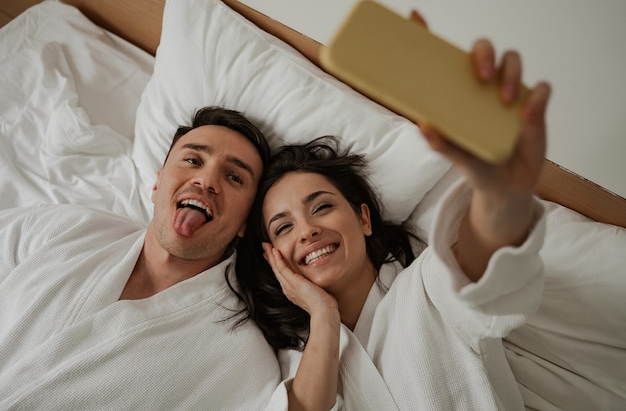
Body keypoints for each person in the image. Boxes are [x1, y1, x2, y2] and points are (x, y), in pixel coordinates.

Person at [234, 23, 552, 409]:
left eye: (322, 206)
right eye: (284, 227)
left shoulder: (428, 290)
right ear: (273, 256)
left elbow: (480, 254)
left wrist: (498, 189)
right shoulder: (295, 363)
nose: (308, 231)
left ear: (365, 220)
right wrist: (323, 314)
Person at [0, 107, 282, 409]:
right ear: (157, 184)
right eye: (193, 160)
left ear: (245, 224)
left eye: (234, 177)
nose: (206, 179)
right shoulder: (64, 229)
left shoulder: (243, 362)